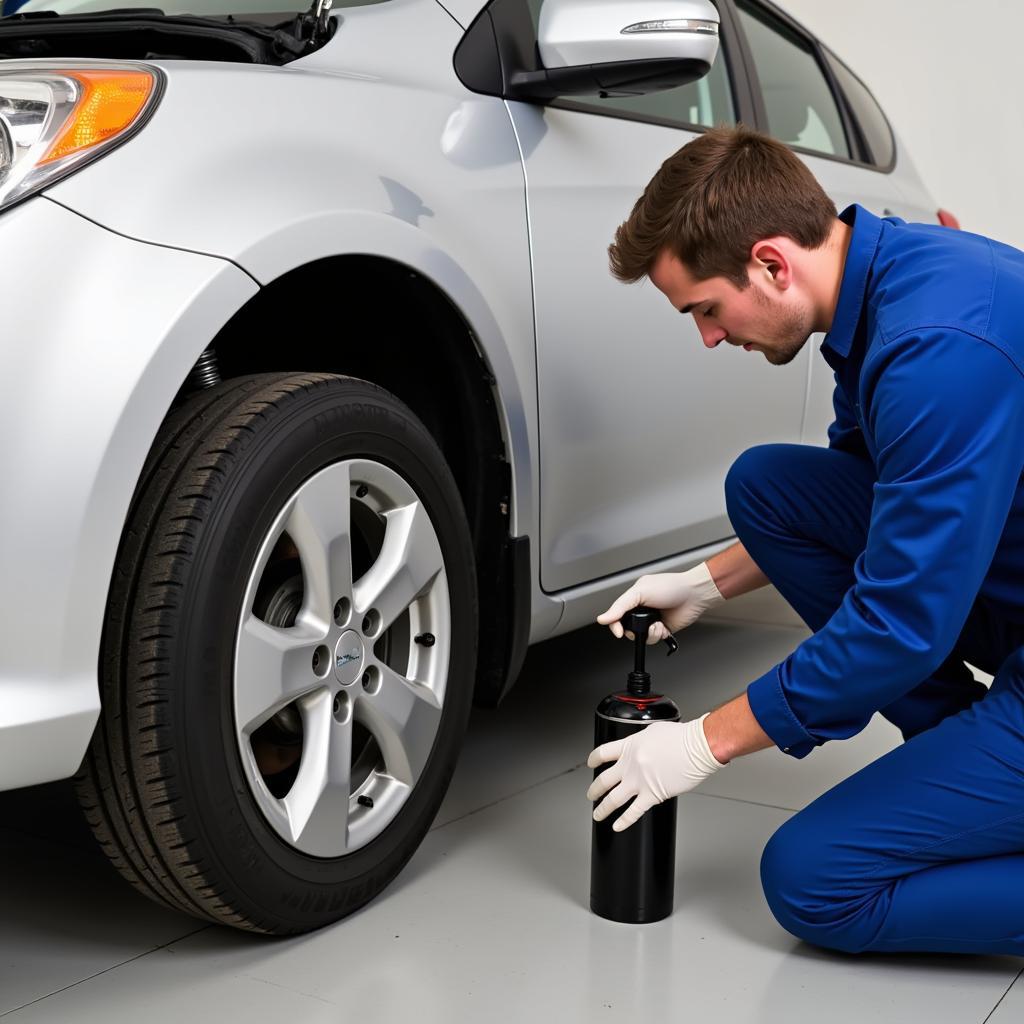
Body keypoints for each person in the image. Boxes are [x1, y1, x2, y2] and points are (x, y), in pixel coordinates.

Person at [588, 123, 1024, 957]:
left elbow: (898, 623)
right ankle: (960, 752)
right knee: (768, 487)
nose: (709, 337)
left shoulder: (936, 352)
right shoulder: (886, 281)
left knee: (813, 880)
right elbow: (870, 504)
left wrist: (701, 744)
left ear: (771, 263)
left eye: (706, 310)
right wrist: (705, 586)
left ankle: (981, 777)